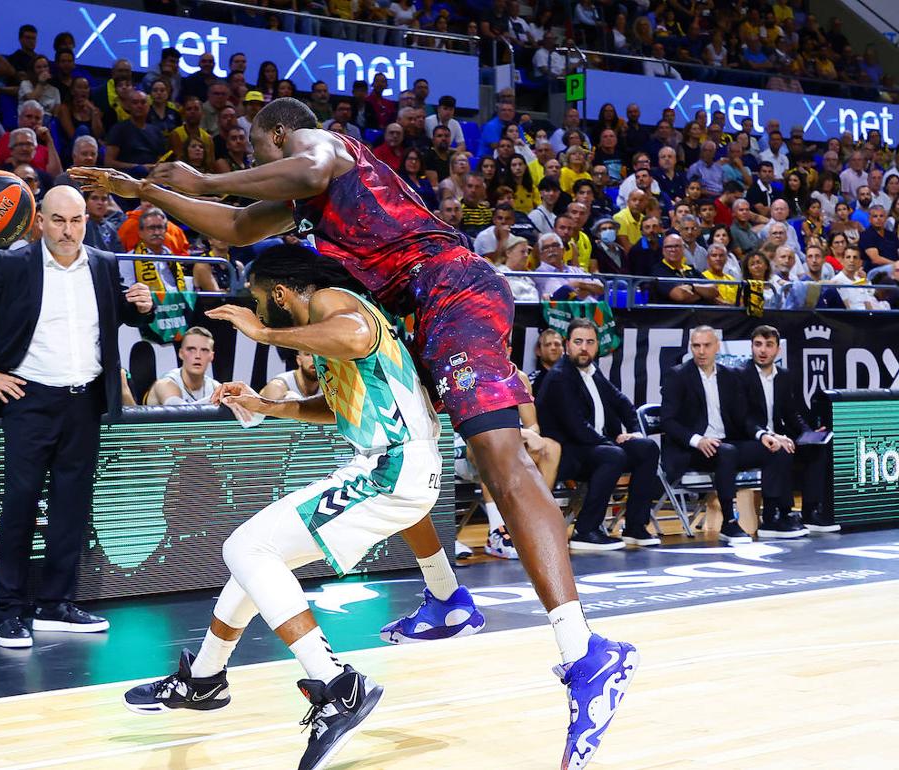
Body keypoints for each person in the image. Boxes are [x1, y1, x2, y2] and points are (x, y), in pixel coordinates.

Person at [74, 97, 639, 767]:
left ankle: (585, 653)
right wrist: (151, 192)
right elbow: (232, 224)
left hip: (450, 287)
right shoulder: (309, 202)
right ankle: (443, 598)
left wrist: (207, 178)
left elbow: (295, 169)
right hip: (422, 310)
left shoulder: (327, 148)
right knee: (404, 446)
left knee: (499, 460)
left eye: (261, 154)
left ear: (278, 134)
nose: (264, 167)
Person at [123, 246, 482, 770]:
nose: (258, 310)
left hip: (392, 468)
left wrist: (263, 333)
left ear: (280, 294)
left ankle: (338, 684)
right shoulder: (331, 327)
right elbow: (334, 407)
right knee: (255, 564)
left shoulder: (341, 308)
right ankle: (203, 678)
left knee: (245, 546)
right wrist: (269, 406)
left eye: (258, 301)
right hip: (394, 468)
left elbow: (356, 333)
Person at [0, 186, 154, 647]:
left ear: (86, 221)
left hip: (85, 403)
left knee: (71, 507)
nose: (68, 230)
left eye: (76, 220)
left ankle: (56, 604)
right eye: (58, 220)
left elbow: (118, 315)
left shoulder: (102, 263)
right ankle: (8, 611)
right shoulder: (14, 265)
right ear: (39, 220)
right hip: (30, 401)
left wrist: (142, 306)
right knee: (19, 506)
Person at [659, 326, 795, 545]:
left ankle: (772, 517)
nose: (701, 351)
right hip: (692, 449)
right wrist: (697, 440)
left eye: (706, 345)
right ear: (691, 347)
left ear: (717, 347)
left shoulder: (729, 376)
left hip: (726, 444)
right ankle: (729, 522)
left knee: (775, 449)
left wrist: (764, 435)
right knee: (727, 452)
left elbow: (744, 417)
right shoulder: (677, 376)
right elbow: (668, 421)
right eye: (696, 346)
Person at [537, 319, 662, 549]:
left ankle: (635, 526)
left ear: (597, 346)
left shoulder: (593, 372)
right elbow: (575, 427)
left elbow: (623, 403)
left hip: (595, 446)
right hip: (567, 451)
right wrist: (612, 444)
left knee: (647, 448)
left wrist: (633, 432)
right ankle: (585, 530)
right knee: (613, 456)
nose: (584, 347)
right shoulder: (560, 377)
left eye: (590, 342)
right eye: (578, 342)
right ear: (567, 345)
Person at [738, 325, 827, 537]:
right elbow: (742, 418)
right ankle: (775, 514)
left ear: (777, 350)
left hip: (779, 435)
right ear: (751, 347)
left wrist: (808, 434)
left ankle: (811, 510)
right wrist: (768, 435)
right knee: (779, 450)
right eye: (758, 344)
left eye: (769, 345)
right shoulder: (740, 375)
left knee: (817, 448)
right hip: (751, 438)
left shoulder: (785, 376)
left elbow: (791, 413)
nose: (762, 350)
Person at [144, 327, 221, 405]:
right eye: (191, 349)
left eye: (204, 350)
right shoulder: (165, 384)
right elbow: (181, 413)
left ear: (211, 356)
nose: (198, 356)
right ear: (181, 353)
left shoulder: (215, 387)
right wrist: (218, 398)